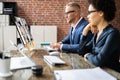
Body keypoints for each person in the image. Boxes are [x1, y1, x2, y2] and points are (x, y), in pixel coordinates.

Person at [80, 0, 120, 72]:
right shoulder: (97, 33)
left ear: (101, 13)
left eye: (89, 12)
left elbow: (99, 61)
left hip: (112, 75)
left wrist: (87, 55)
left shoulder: (113, 33)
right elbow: (81, 51)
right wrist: (84, 32)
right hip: (99, 72)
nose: (87, 16)